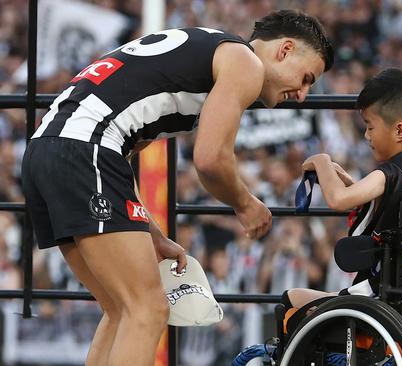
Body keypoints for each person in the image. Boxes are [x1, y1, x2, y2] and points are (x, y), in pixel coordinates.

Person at [21, 9, 333, 366]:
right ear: (285, 49)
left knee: (121, 307)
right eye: (307, 77)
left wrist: (150, 232)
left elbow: (123, 155)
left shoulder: (210, 49)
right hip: (85, 150)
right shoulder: (245, 63)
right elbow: (211, 159)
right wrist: (246, 203)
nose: (304, 94)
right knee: (148, 308)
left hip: (46, 151)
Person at [284, 67, 402, 310]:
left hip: (381, 297)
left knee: (291, 299)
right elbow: (387, 202)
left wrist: (321, 161)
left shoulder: (388, 173)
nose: (366, 135)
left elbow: (338, 200)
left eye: (370, 126)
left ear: (399, 130)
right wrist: (347, 180)